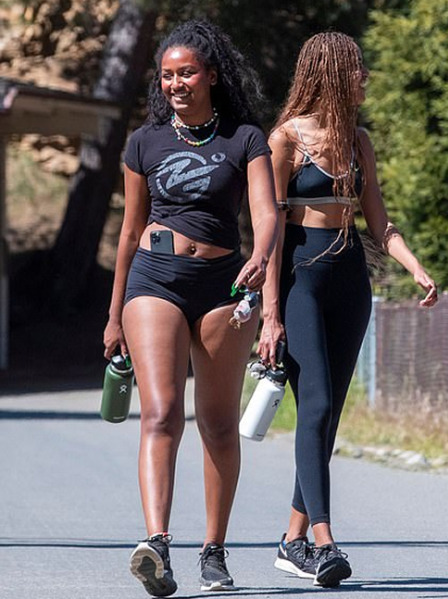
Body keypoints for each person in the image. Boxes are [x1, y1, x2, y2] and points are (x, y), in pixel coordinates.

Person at [103, 20, 277, 597]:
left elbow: (265, 210)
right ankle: (157, 541)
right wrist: (112, 314)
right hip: (153, 280)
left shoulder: (244, 137)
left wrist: (262, 255)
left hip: (222, 285)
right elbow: (128, 233)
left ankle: (214, 549)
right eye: (168, 75)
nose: (176, 83)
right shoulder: (143, 142)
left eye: (187, 73)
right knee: (161, 414)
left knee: (220, 424)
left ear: (211, 75)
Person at [258, 31, 438, 588]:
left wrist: (414, 267)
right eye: (357, 70)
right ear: (332, 73)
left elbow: (379, 222)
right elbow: (266, 230)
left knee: (329, 413)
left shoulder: (358, 141)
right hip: (299, 275)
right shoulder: (285, 140)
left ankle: (291, 540)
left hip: (349, 278)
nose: (364, 79)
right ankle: (324, 541)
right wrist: (270, 313)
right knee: (312, 403)